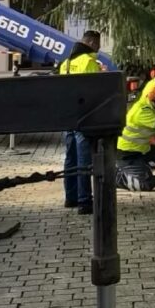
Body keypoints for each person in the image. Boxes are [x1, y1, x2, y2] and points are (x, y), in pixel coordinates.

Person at [58, 30, 102, 214]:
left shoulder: (66, 63)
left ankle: (71, 197)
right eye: (97, 46)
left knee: (70, 158)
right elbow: (95, 90)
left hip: (68, 115)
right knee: (84, 158)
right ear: (91, 43)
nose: (98, 49)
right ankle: (85, 201)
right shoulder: (89, 62)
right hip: (84, 116)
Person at [116, 82, 155, 192]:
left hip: (139, 150)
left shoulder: (147, 101)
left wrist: (151, 135)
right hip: (127, 154)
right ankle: (116, 177)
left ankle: (141, 171)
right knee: (147, 185)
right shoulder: (142, 111)